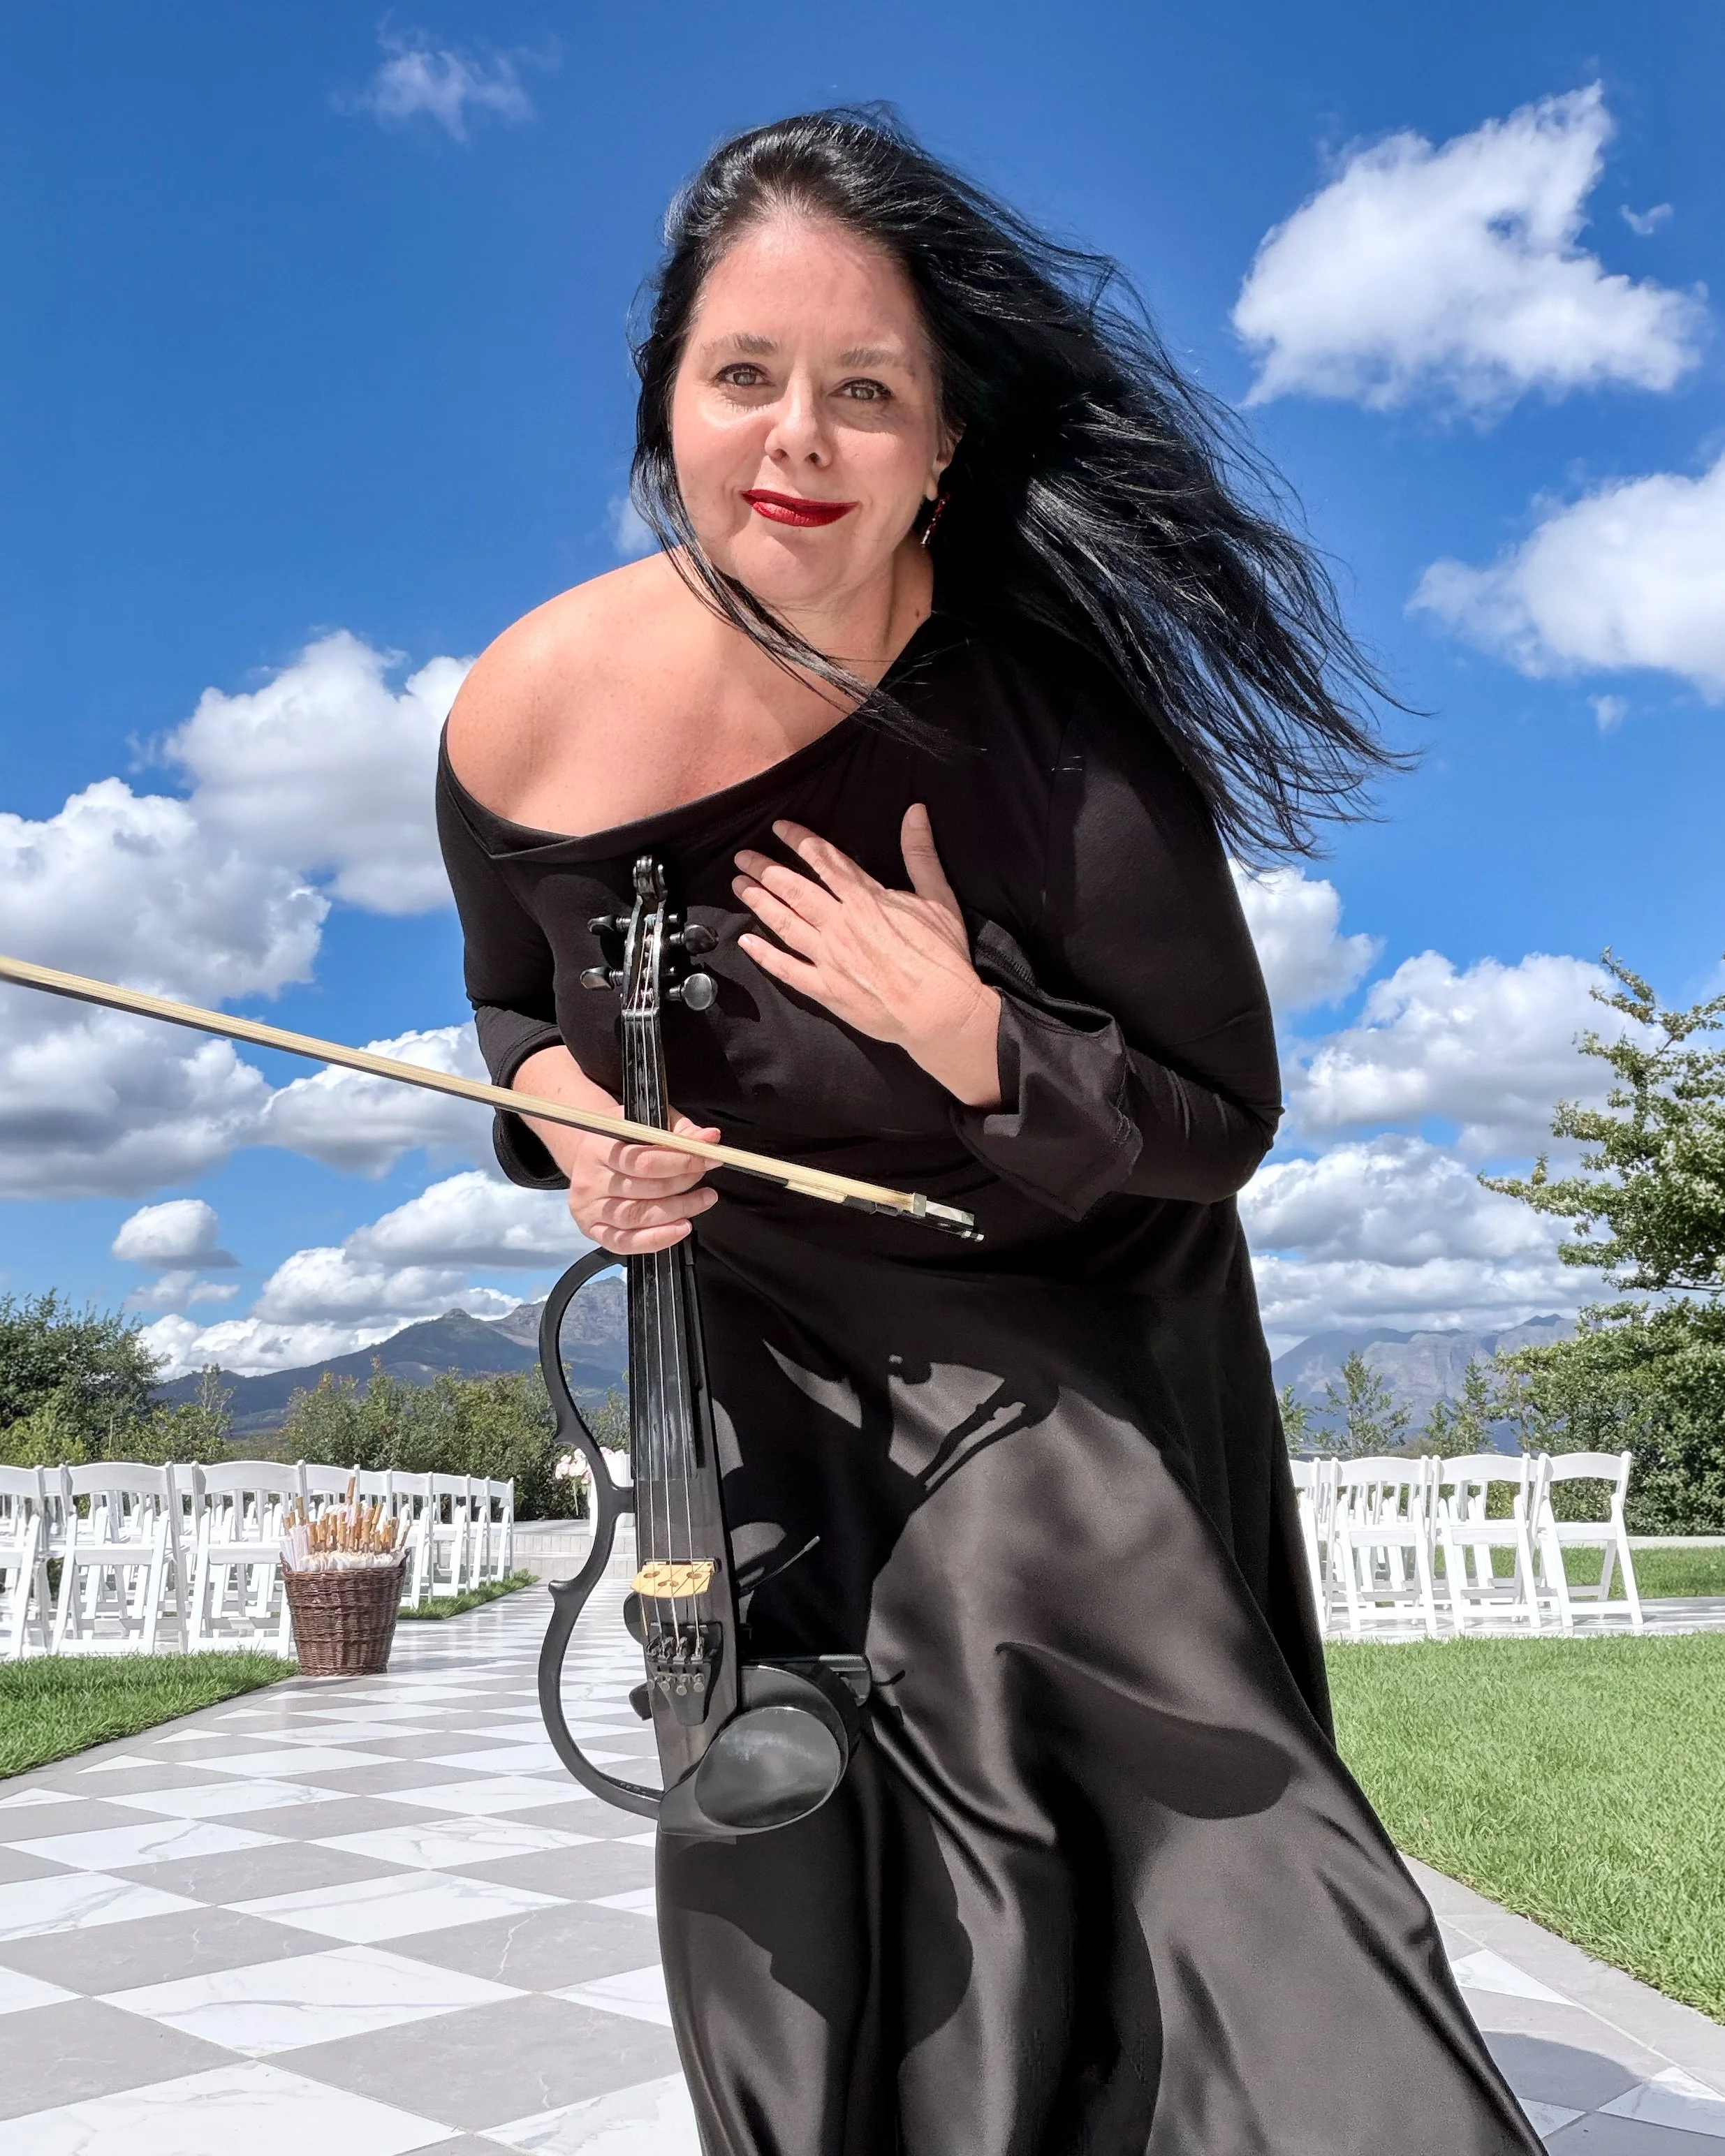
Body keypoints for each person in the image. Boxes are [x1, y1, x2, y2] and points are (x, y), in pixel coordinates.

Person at [438, 108, 1541, 2156]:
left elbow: (1220, 1125)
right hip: (744, 1360)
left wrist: (975, 1036)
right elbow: (515, 1013)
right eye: (742, 375)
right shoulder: (525, 709)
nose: (797, 438)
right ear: (660, 395)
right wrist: (580, 1121)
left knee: (1176, 1804)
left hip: (1054, 1331)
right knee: (796, 1836)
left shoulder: (1059, 734)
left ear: (944, 442)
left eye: (867, 392)